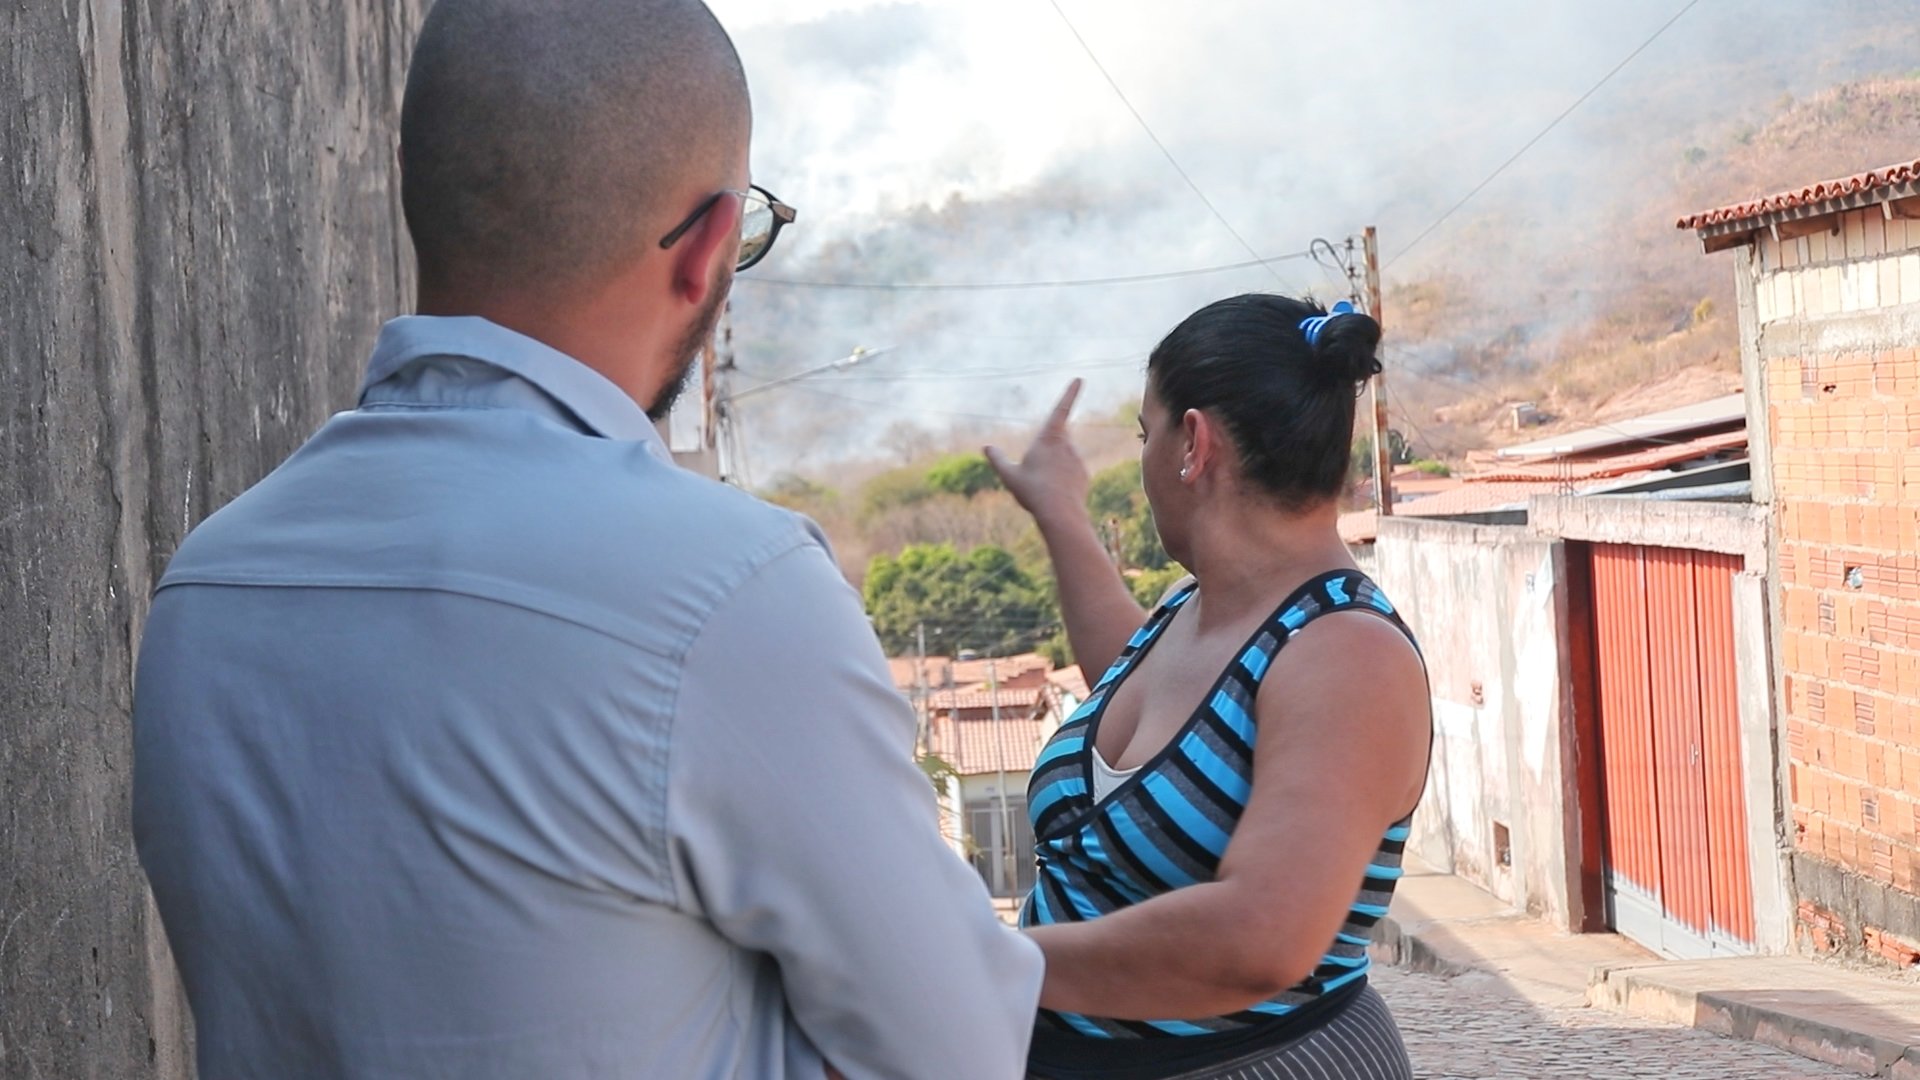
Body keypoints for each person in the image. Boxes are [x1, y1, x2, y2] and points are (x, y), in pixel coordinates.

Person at [130, 2, 1041, 1077]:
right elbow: (959, 1055)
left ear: (418, 187)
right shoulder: (732, 596)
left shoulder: (208, 588)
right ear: (706, 250)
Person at [985, 295, 1431, 1080]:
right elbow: (1157, 726)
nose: (1143, 457)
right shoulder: (1191, 611)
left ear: (1193, 442)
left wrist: (982, 964)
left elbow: (1261, 938)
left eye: (1144, 434)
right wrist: (1060, 512)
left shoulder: (1346, 655)